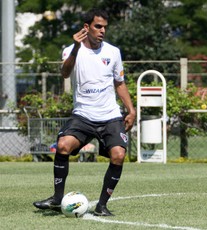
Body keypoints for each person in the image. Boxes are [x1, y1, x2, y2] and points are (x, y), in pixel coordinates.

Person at [33, 8, 136, 216]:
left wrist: (131, 110)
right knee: (63, 145)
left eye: (105, 27)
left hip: (110, 116)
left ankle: (102, 205)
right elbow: (64, 73)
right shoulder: (71, 50)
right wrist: (75, 49)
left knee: (118, 155)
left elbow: (119, 83)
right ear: (86, 27)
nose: (102, 31)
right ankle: (57, 198)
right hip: (83, 116)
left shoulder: (113, 52)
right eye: (98, 26)